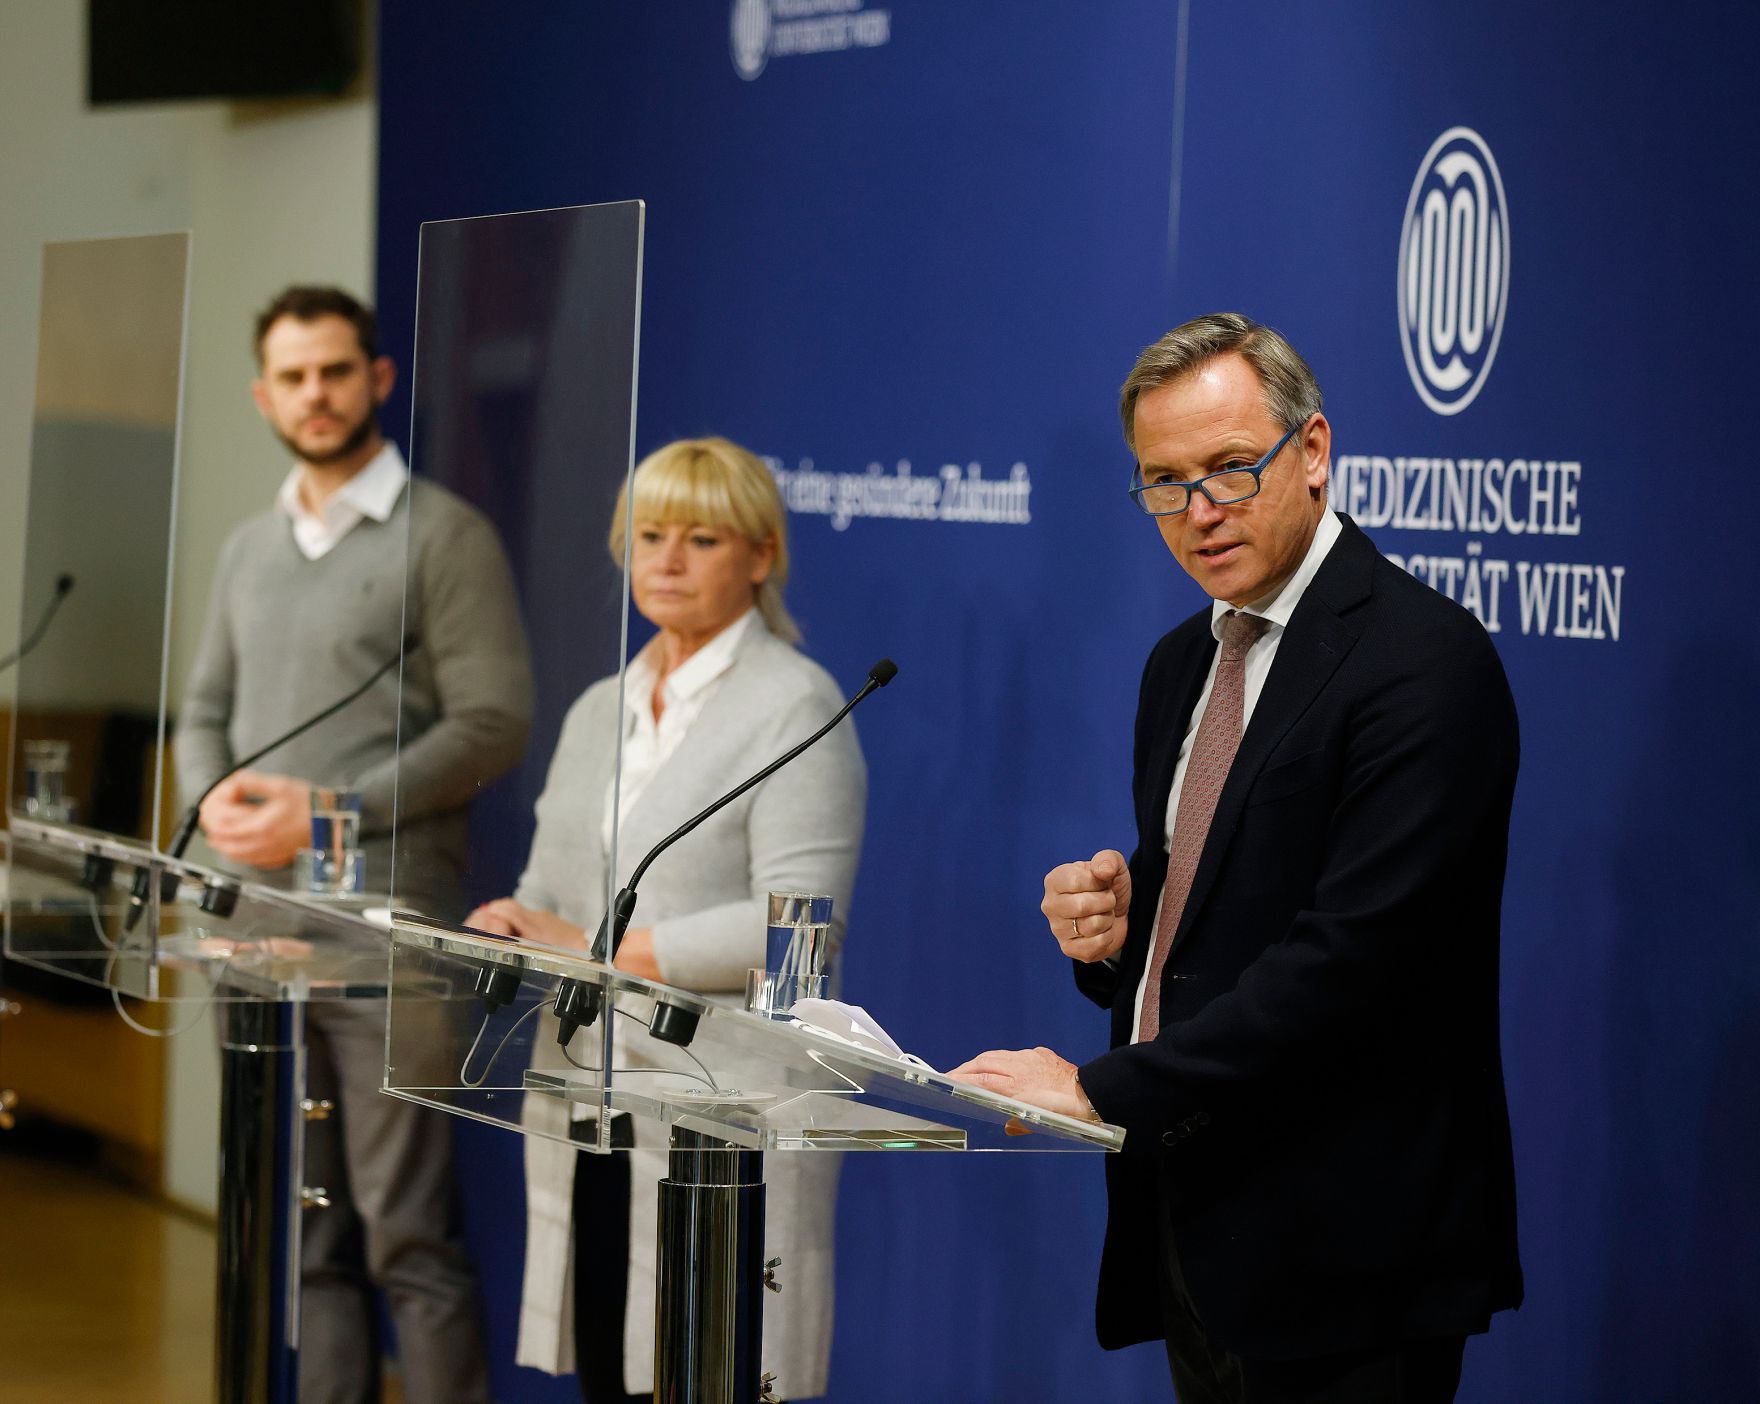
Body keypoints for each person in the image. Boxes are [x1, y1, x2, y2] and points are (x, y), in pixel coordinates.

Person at [951, 314, 1521, 1403]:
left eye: (1226, 469)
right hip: (1196, 1211)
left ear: (1310, 452)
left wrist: (1096, 1085)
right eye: (1160, 483)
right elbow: (1215, 917)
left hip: (1348, 1246)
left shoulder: (1421, 662)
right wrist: (1120, 936)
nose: (1196, 512)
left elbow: (1354, 963)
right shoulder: (1183, 660)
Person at [177, 285, 532, 1404]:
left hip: (389, 944)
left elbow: (493, 725)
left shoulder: (445, 535)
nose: (314, 395)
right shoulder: (249, 545)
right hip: (255, 937)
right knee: (307, 1241)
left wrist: (326, 814)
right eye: (292, 377)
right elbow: (200, 718)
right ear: (262, 394)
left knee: (407, 1242)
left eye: (335, 371)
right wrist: (215, 802)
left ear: (377, 379)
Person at [466, 435, 866, 1403]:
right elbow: (551, 894)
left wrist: (603, 954)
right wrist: (511, 928)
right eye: (648, 536)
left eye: (699, 538)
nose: (667, 561)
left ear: (759, 557)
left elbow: (798, 934)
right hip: (585, 1103)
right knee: (609, 1372)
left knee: (694, 1380)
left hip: (714, 1119)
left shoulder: (797, 708)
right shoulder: (598, 708)